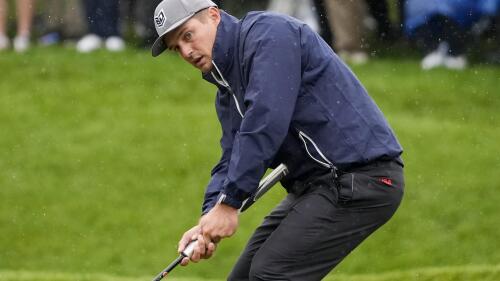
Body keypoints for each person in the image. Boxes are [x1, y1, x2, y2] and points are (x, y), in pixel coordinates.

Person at [151, 0, 404, 280]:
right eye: (176, 47)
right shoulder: (227, 89)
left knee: (270, 274)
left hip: (363, 179)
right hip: (317, 186)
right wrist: (209, 220)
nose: (186, 51)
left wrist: (230, 203)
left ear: (214, 16)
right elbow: (231, 155)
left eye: (188, 35)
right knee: (244, 277)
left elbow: (265, 121)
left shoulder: (270, 34)